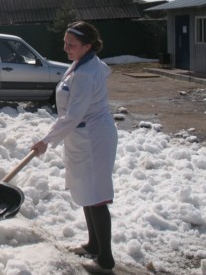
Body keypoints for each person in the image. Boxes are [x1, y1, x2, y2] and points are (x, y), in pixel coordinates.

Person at [31, 21, 118, 274]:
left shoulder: (85, 73)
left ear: (87, 46)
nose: (66, 48)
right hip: (84, 135)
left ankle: (106, 260)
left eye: (72, 45)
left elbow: (73, 115)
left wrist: (46, 141)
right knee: (87, 192)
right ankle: (93, 244)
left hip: (93, 137)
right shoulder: (87, 62)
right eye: (65, 43)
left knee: (97, 196)